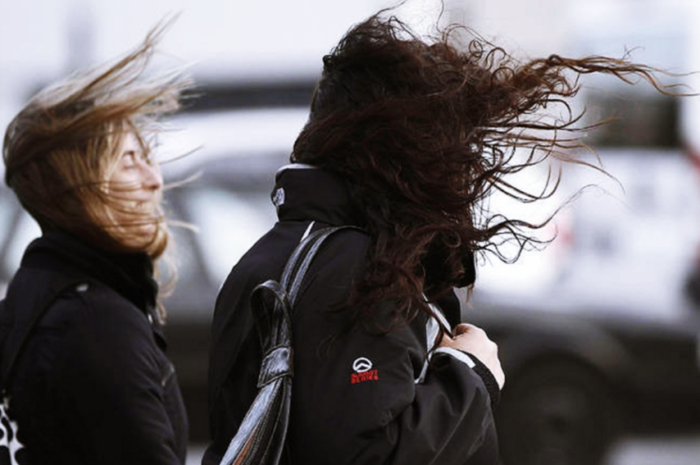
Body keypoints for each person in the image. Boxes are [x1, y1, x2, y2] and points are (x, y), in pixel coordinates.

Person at [204, 9, 672, 465]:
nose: (461, 165)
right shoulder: (356, 266)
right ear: (399, 149)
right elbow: (371, 452)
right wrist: (471, 374)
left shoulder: (267, 256)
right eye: (444, 142)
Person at [0, 22, 191, 465]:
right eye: (130, 162)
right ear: (78, 187)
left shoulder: (33, 300)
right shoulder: (98, 324)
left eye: (148, 158)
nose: (154, 179)